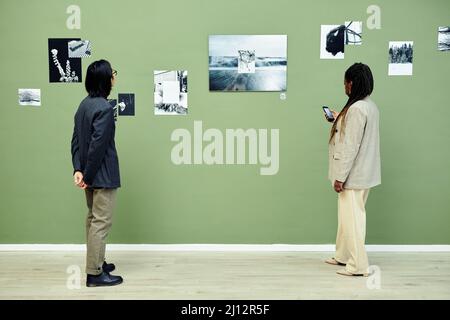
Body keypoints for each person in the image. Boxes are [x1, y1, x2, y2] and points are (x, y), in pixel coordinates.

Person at [325, 62, 381, 277]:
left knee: (353, 221)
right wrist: (339, 116)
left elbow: (351, 145)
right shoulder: (367, 106)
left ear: (352, 83)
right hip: (363, 173)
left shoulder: (357, 109)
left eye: (346, 81)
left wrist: (340, 177)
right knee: (346, 218)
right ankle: (342, 255)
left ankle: (358, 265)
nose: (344, 85)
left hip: (353, 175)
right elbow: (356, 134)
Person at [71, 59, 123, 287]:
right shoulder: (104, 108)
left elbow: (75, 141)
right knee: (101, 222)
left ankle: (98, 262)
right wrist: (88, 175)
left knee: (93, 220)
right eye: (112, 72)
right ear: (106, 79)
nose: (114, 75)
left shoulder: (84, 105)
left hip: (90, 175)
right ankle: (94, 273)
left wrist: (78, 170)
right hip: (101, 176)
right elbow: (97, 146)